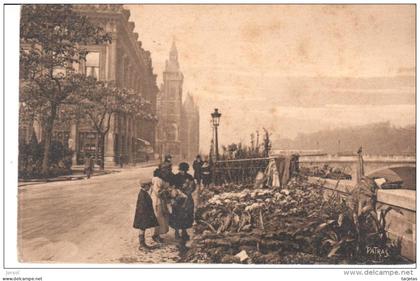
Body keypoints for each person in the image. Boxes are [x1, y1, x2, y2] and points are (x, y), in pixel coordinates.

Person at [169, 162, 196, 241]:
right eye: (181, 170)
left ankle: (184, 232)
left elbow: (193, 186)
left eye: (184, 170)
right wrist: (177, 192)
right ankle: (177, 232)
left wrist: (189, 191)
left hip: (187, 198)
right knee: (177, 215)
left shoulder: (189, 177)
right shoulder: (175, 177)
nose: (182, 172)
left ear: (186, 170)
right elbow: (172, 187)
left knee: (187, 215)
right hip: (178, 199)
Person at [133, 181, 159, 250]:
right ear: (146, 186)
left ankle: (143, 244)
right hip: (143, 215)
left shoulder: (143, 193)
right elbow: (142, 206)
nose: (150, 187)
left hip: (143, 214)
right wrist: (145, 216)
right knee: (142, 228)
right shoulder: (142, 194)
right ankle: (142, 245)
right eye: (149, 186)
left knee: (143, 228)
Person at [150, 164, 171, 243]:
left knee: (161, 218)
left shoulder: (161, 179)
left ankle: (158, 235)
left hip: (160, 201)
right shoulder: (157, 180)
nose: (166, 172)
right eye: (164, 171)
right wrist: (166, 191)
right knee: (158, 218)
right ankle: (155, 235)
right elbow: (157, 192)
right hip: (157, 201)